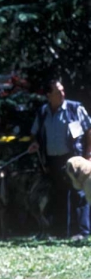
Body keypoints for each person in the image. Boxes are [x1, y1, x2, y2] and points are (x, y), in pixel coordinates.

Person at [28, 80, 91, 239]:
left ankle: (82, 231)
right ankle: (62, 232)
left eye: (62, 91)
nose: (62, 94)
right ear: (48, 95)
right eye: (58, 92)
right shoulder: (43, 112)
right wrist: (34, 143)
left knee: (79, 194)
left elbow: (89, 130)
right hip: (52, 161)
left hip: (74, 159)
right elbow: (34, 133)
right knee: (58, 195)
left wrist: (89, 154)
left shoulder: (75, 108)